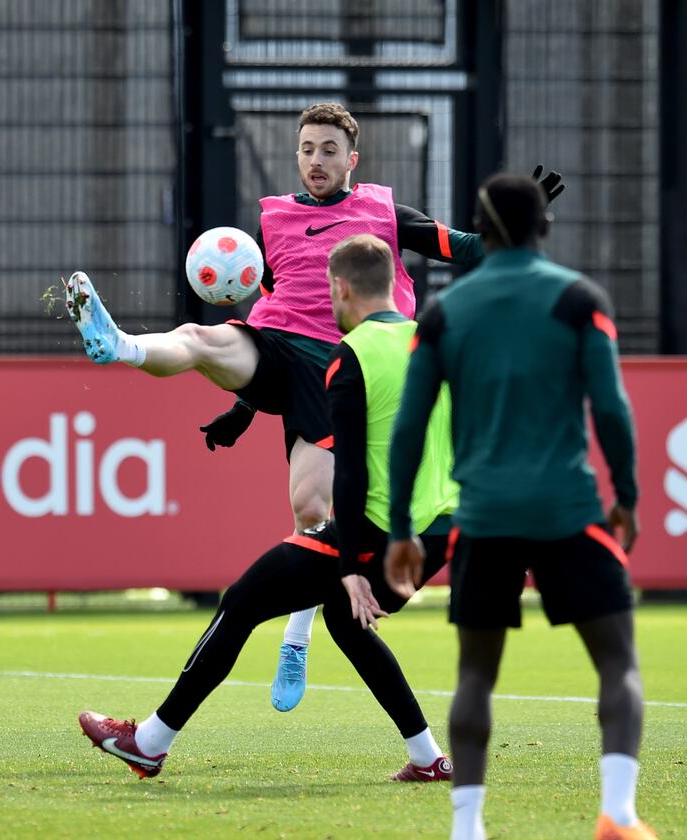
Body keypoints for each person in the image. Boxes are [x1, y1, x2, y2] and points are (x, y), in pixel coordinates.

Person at [66, 100, 564, 713]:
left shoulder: (383, 213)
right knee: (201, 338)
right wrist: (245, 407)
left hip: (342, 371)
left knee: (309, 508)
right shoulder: (271, 226)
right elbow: (270, 307)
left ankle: (296, 638)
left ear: (351, 159)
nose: (316, 160)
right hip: (277, 350)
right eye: (307, 149)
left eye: (329, 150)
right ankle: (120, 345)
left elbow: (465, 249)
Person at [78, 233, 459, 783]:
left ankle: (149, 742)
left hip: (378, 530)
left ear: (342, 288)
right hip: (442, 533)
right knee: (347, 624)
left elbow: (349, 470)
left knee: (244, 602)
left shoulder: (350, 357)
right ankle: (428, 759)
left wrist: (350, 564)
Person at [384, 174, 656, 840]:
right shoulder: (578, 299)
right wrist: (626, 495)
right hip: (568, 511)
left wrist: (399, 528)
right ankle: (617, 814)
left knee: (476, 672)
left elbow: (409, 429)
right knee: (617, 664)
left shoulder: (445, 315)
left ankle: (467, 827)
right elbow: (612, 409)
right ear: (547, 227)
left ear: (480, 230)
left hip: (483, 519)